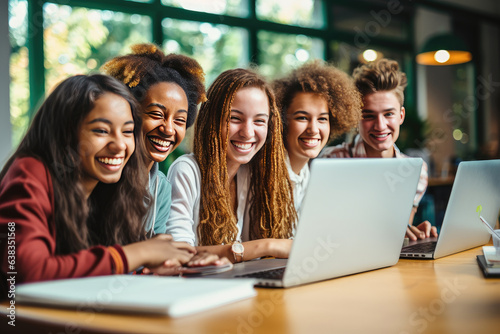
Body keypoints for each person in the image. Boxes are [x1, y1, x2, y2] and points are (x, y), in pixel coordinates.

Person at [0, 74, 205, 295]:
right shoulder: (29, 172)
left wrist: (177, 264)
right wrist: (135, 253)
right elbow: (24, 272)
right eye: (101, 130)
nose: (119, 145)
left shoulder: (108, 187)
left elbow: (86, 271)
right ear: (65, 134)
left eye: (127, 131)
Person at [165, 68, 297, 263]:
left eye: (259, 121)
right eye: (235, 118)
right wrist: (266, 246)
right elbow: (179, 254)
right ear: (212, 120)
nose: (248, 132)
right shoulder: (186, 170)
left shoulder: (250, 173)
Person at [320, 58, 437, 241]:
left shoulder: (416, 171)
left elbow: (397, 233)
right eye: (369, 115)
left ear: (401, 116)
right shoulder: (331, 161)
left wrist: (414, 233)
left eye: (388, 114)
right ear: (356, 119)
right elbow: (324, 230)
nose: (380, 126)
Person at [101, 43, 206, 236]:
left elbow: (158, 252)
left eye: (179, 120)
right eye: (157, 114)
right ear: (128, 112)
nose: (168, 129)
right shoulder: (102, 174)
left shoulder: (161, 188)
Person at [273, 60, 362, 213]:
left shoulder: (307, 174)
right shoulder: (265, 175)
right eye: (302, 117)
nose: (313, 129)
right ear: (281, 120)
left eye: (322, 119)